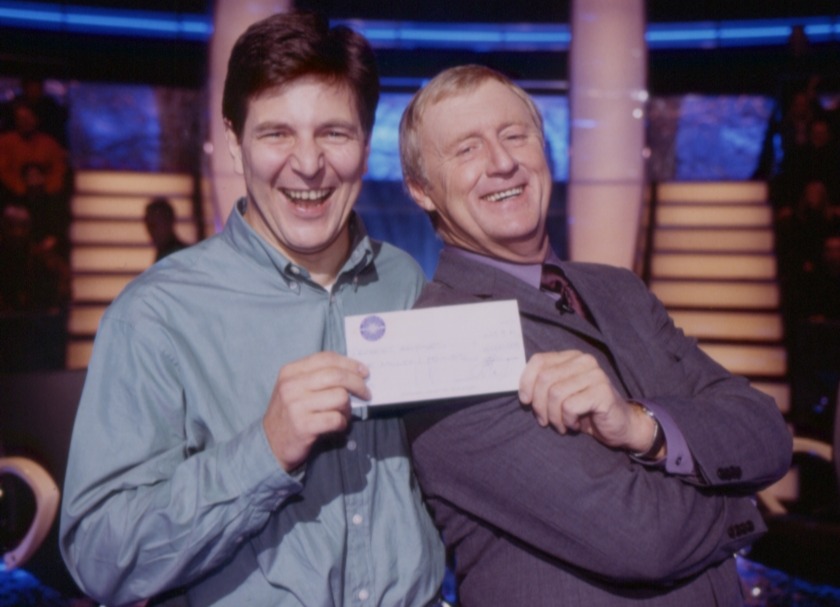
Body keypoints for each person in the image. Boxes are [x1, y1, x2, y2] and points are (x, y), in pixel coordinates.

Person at [59, 11, 444, 606]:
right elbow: (101, 559)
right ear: (235, 144)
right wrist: (263, 451)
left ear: (366, 146)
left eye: (334, 133)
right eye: (277, 134)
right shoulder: (157, 314)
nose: (309, 163)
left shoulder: (404, 281)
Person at [397, 65, 792, 606]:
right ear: (422, 190)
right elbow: (643, 539)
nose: (502, 161)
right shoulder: (436, 343)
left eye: (515, 135)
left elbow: (766, 431)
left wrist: (642, 427)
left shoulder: (619, 289)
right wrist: (739, 496)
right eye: (466, 149)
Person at [144, 196, 188, 262]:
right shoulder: (162, 254)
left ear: (169, 222)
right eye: (149, 224)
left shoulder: (179, 254)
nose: (151, 230)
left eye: (155, 224)